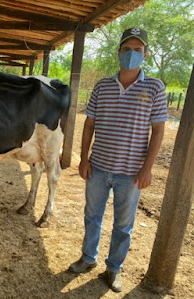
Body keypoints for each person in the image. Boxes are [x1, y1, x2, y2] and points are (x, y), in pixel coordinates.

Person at [68, 28, 168, 292]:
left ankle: (114, 268)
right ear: (118, 53)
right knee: (92, 216)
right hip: (98, 168)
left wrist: (148, 169)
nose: (131, 54)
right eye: (127, 49)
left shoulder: (154, 87)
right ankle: (88, 258)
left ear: (145, 54)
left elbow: (158, 130)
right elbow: (89, 124)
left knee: (123, 225)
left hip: (131, 173)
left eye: (137, 50)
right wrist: (84, 159)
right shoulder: (102, 86)